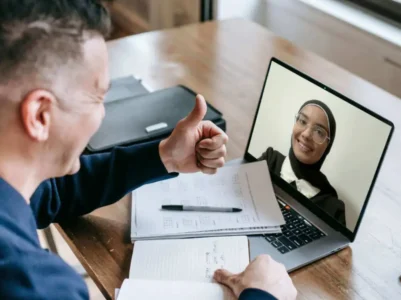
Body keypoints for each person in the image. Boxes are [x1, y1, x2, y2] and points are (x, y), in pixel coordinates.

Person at [0, 1, 296, 299]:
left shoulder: (14, 181)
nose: (102, 114)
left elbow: (51, 193)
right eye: (97, 98)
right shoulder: (36, 285)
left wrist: (164, 156)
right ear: (39, 115)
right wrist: (263, 296)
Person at [259, 100, 346, 226]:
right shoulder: (269, 161)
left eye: (319, 132)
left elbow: (336, 245)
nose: (306, 134)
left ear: (328, 146)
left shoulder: (332, 208)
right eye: (303, 121)